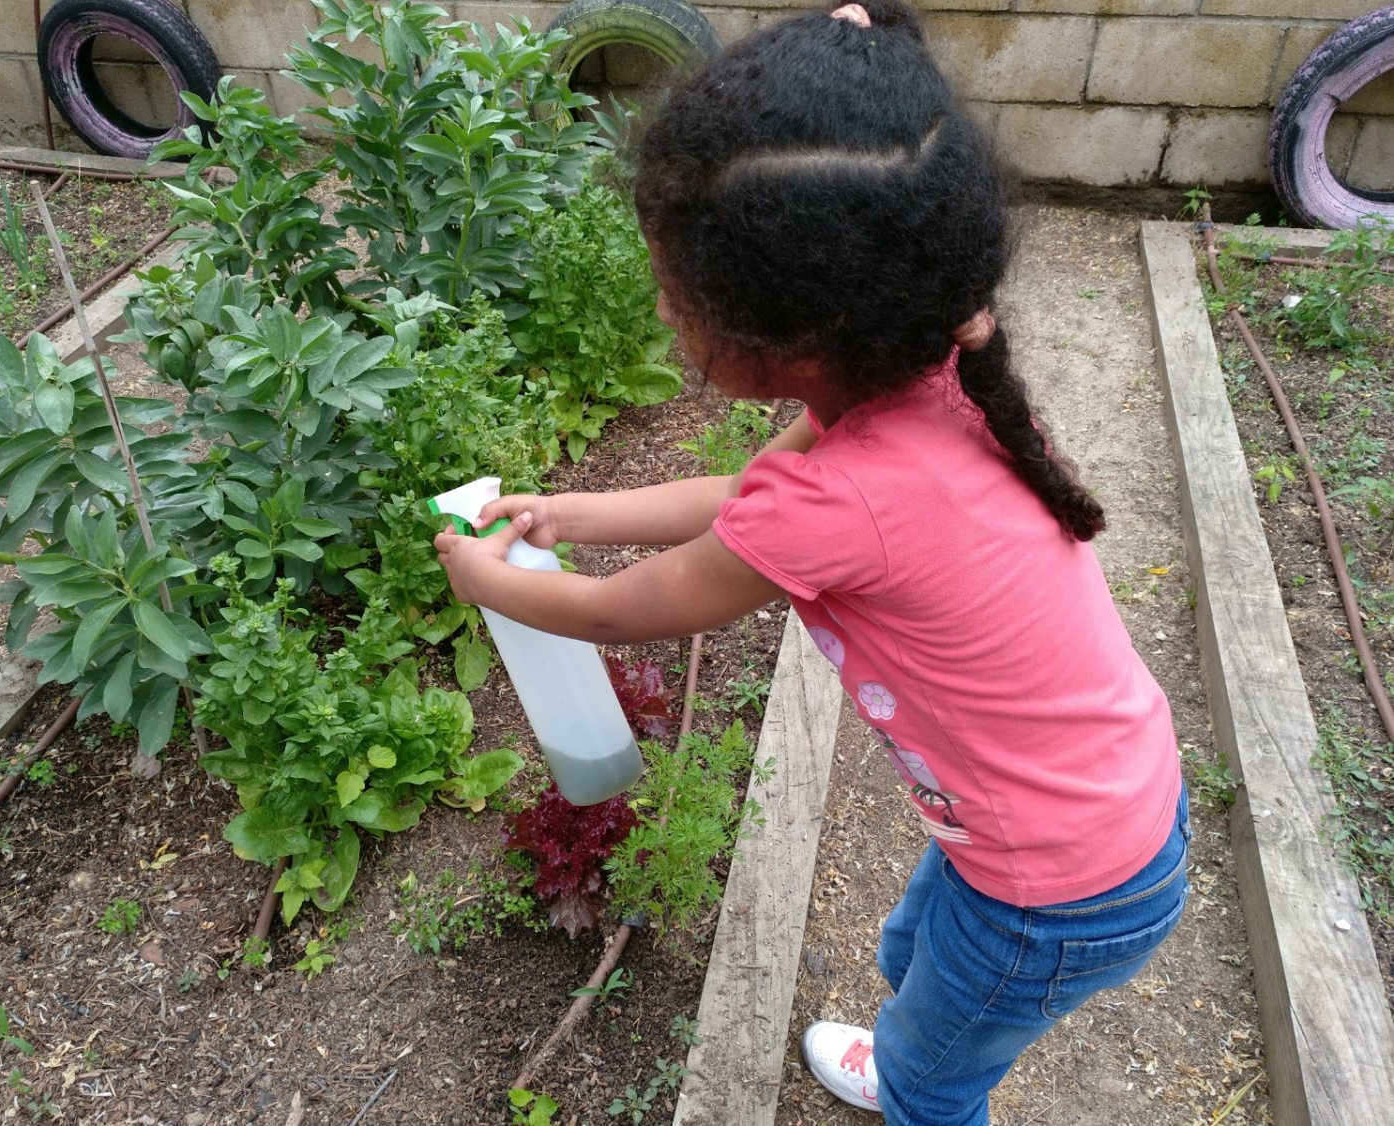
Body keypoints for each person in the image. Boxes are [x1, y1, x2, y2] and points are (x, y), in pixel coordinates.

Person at [433, 2, 1189, 1122]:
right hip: (1092, 813)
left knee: (940, 1072)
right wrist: (576, 511)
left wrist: (486, 580)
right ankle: (918, 1044)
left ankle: (921, 1084)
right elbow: (748, 501)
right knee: (915, 951)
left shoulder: (848, 495)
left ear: (784, 337)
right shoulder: (922, 369)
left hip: (1057, 886)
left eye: (678, 293)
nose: (661, 306)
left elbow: (627, 613)